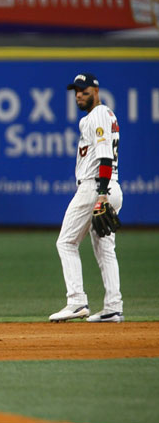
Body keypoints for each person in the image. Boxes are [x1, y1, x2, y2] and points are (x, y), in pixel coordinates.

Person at [49, 73, 123, 323]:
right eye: (75, 91)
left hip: (96, 188)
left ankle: (76, 301)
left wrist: (101, 195)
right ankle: (113, 306)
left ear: (96, 90)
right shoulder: (102, 116)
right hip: (110, 187)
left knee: (66, 242)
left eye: (83, 90)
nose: (79, 95)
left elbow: (105, 157)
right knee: (105, 250)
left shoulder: (99, 115)